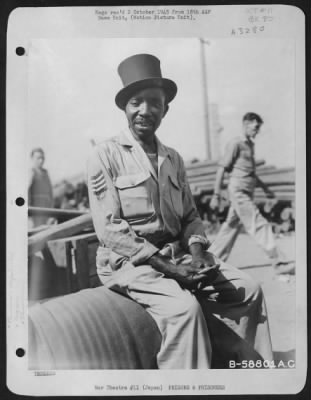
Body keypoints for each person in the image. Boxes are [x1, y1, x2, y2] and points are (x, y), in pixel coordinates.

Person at [87, 54, 273, 369]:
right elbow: (110, 231)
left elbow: (190, 217)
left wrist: (198, 252)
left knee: (249, 290)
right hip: (128, 263)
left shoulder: (173, 158)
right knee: (184, 311)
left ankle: (243, 372)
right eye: (136, 102)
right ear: (124, 108)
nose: (145, 110)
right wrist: (171, 270)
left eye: (154, 103)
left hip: (176, 256)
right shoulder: (105, 155)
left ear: (165, 109)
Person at [209, 113, 294, 274]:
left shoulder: (249, 145)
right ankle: (279, 262)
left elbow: (251, 173)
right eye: (255, 127)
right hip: (238, 191)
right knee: (259, 223)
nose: (257, 131)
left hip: (247, 191)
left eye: (259, 128)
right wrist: (216, 194)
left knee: (231, 227)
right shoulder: (235, 143)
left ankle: (210, 261)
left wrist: (265, 189)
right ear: (246, 124)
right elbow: (221, 169)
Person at [28, 148, 54, 227]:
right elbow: (27, 193)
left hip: (46, 210)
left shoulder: (46, 173)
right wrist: (29, 216)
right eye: (38, 158)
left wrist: (52, 213)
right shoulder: (31, 172)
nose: (41, 160)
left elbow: (50, 194)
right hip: (36, 211)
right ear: (32, 159)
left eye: (42, 158)